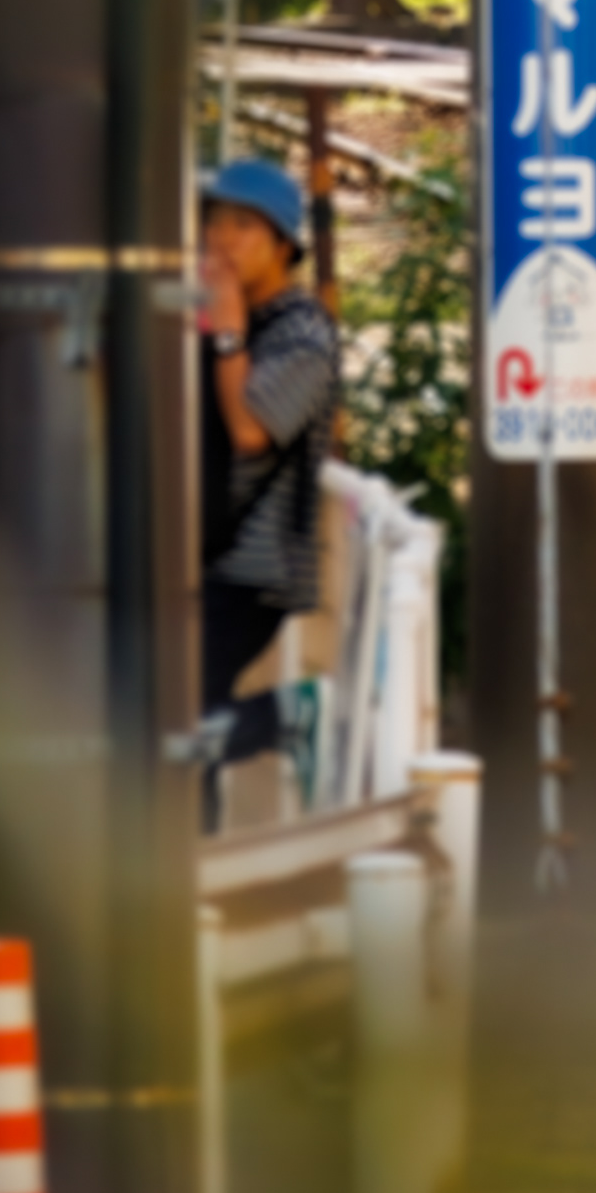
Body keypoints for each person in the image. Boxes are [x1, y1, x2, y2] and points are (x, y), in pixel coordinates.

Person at [196, 155, 340, 800]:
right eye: (215, 223)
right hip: (202, 558)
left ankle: (293, 716)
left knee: (174, 723)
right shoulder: (230, 318)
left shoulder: (304, 334)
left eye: (243, 227)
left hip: (255, 570)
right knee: (180, 719)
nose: (222, 240)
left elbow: (253, 430)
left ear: (283, 247)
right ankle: (188, 877)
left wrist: (226, 335)